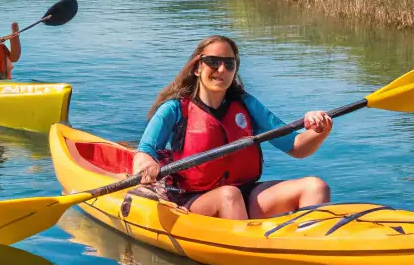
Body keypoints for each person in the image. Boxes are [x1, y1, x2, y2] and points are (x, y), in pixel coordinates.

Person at [131, 35, 332, 220]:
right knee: (229, 195)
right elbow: (144, 151)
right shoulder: (175, 109)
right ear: (197, 68)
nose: (221, 69)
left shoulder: (246, 105)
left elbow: (297, 147)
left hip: (245, 193)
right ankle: (249, 253)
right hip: (193, 200)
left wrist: (318, 130)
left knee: (315, 186)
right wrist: (147, 165)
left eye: (229, 64)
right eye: (213, 62)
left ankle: (313, 245)